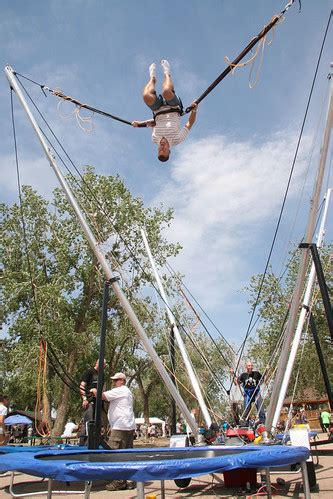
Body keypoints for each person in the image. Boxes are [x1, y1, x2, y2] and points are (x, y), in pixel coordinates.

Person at [132, 59, 198, 162]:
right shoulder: (177, 140)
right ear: (169, 151)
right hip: (174, 108)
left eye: (159, 150)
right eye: (164, 150)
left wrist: (139, 124)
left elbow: (153, 123)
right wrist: (194, 110)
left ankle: (152, 78)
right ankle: (167, 73)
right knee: (166, 92)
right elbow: (190, 123)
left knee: (146, 96)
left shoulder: (154, 139)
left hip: (158, 110)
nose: (161, 148)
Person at [90, 372, 136, 491]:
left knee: (114, 453)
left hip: (120, 427)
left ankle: (119, 481)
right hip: (128, 426)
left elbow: (102, 396)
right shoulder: (127, 392)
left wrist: (94, 390)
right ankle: (129, 480)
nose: (114, 383)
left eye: (116, 380)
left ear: (121, 380)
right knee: (127, 454)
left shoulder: (121, 390)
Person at [79, 358, 106, 445]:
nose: (104, 366)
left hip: (99, 402)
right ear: (97, 363)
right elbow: (82, 386)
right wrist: (84, 399)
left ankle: (96, 442)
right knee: (88, 422)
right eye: (102, 364)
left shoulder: (102, 374)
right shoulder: (90, 372)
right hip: (90, 400)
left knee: (98, 423)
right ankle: (84, 443)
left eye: (104, 365)